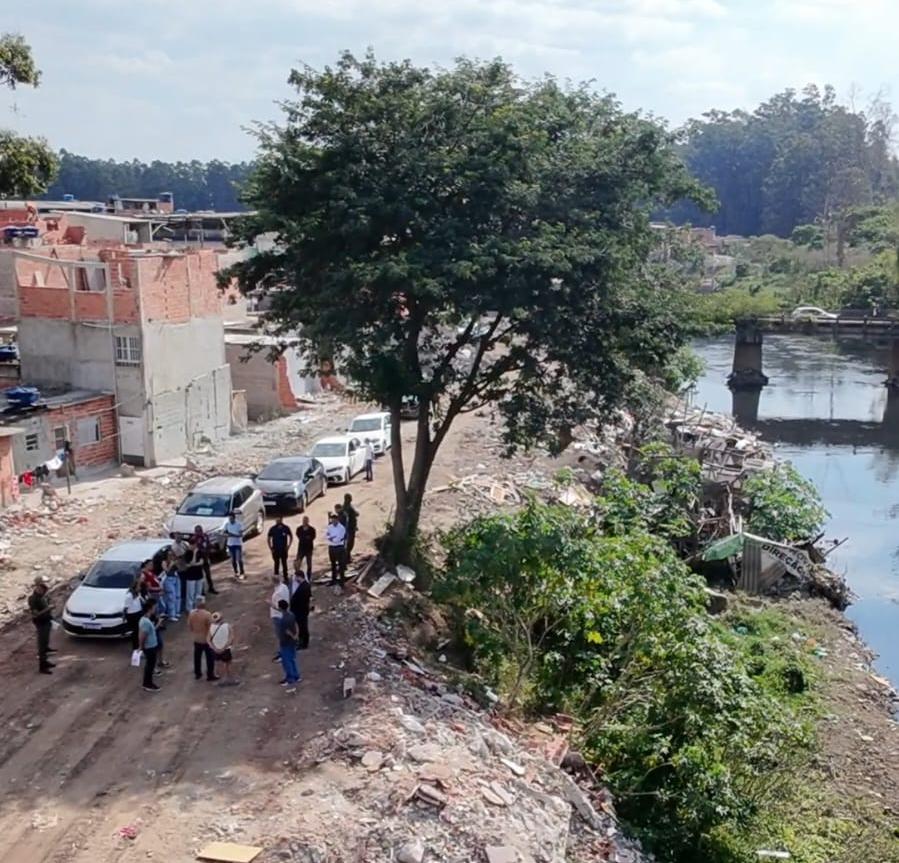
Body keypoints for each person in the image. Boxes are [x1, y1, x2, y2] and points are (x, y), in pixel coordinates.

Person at [28, 575, 55, 675]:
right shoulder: (33, 599)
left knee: (45, 642)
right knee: (42, 644)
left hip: (46, 620)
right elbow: (35, 614)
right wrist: (48, 609)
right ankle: (42, 666)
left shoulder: (43, 596)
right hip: (40, 622)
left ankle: (46, 662)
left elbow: (47, 600)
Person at [188, 596, 218, 681]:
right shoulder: (207, 614)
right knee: (210, 657)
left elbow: (190, 626)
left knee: (197, 656)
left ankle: (198, 673)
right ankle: (210, 675)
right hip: (206, 638)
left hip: (196, 638)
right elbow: (211, 627)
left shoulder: (192, 613)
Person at [208, 611, 238, 686]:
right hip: (226, 649)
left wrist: (214, 648)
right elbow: (231, 637)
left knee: (219, 664)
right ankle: (231, 679)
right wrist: (225, 647)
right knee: (228, 663)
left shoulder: (211, 627)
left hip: (216, 650)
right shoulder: (227, 626)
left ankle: (222, 680)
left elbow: (208, 640)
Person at [276, 599, 300, 688]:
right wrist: (296, 635)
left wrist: (292, 636)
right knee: (292, 659)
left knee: (286, 661)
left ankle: (290, 678)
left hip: (285, 642)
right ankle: (296, 676)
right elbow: (296, 625)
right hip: (293, 642)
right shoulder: (291, 615)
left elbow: (286, 631)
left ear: (280, 608)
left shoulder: (283, 620)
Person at [138, 598, 161, 692]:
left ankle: (148, 683)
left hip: (151, 646)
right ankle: (148, 684)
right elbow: (142, 635)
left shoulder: (145, 620)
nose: (155, 609)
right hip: (149, 647)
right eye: (154, 608)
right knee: (150, 666)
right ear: (150, 609)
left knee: (150, 665)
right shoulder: (146, 622)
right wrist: (141, 647)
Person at [269, 574, 290, 661]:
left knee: (280, 635)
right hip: (285, 614)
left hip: (277, 616)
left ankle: (283, 654)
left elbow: (278, 607)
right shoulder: (284, 587)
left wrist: (270, 604)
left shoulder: (277, 594)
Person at [170, 532, 192, 615]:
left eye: (180, 536)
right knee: (182, 587)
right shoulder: (174, 546)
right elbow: (181, 555)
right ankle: (183, 606)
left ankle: (188, 603)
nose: (179, 538)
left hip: (187, 567)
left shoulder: (184, 543)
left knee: (188, 585)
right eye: (177, 536)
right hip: (180, 568)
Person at [289, 567, 311, 650]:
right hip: (301, 610)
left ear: (299, 577)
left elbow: (300, 600)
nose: (295, 579)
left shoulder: (304, 587)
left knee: (303, 627)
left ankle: (303, 643)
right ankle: (302, 641)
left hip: (301, 611)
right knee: (302, 627)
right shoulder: (304, 585)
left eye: (296, 577)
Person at [192, 525, 217, 594]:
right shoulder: (194, 539)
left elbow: (208, 544)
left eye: (200, 531)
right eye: (197, 531)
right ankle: (201, 591)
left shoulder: (205, 536)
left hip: (205, 558)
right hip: (198, 559)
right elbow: (194, 548)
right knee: (200, 576)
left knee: (208, 574)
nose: (199, 532)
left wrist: (212, 547)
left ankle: (211, 588)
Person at [267, 515, 293, 579]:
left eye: (279, 519)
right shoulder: (273, 529)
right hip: (275, 549)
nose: (278, 521)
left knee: (284, 563)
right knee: (276, 563)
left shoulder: (286, 528)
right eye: (277, 520)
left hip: (283, 549)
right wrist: (270, 548)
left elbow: (291, 536)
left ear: (282, 519)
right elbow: (269, 538)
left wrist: (288, 546)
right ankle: (276, 577)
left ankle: (285, 577)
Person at [326, 512, 347, 585]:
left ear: (338, 519)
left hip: (339, 548)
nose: (333, 520)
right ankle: (333, 580)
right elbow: (327, 536)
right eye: (332, 519)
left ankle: (342, 582)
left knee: (341, 565)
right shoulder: (329, 527)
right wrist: (331, 538)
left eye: (335, 519)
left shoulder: (342, 528)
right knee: (333, 564)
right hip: (331, 547)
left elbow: (339, 538)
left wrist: (332, 538)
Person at [123, 577, 145, 651]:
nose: (140, 588)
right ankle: (135, 648)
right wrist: (124, 618)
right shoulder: (129, 596)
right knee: (135, 633)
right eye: (138, 586)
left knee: (139, 631)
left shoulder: (137, 594)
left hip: (138, 613)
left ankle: (139, 647)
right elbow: (125, 608)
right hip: (132, 616)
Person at [184, 542, 205, 613]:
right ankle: (190, 608)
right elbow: (190, 563)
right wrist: (194, 554)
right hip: (190, 576)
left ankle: (197, 607)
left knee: (198, 592)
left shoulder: (200, 552)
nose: (193, 546)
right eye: (192, 545)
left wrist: (194, 564)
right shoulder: (187, 553)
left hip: (199, 575)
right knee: (190, 593)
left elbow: (201, 562)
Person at [161, 551, 181, 623]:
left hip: (176, 578)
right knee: (171, 597)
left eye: (172, 555)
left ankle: (177, 612)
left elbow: (179, 569)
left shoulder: (174, 561)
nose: (171, 556)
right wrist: (171, 564)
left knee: (177, 596)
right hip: (168, 579)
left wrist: (176, 563)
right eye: (169, 555)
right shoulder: (164, 562)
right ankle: (171, 615)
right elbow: (166, 571)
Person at [225, 512, 245, 578]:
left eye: (231, 518)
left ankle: (242, 572)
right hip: (230, 544)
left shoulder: (239, 524)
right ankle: (236, 572)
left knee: (239, 559)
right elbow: (225, 532)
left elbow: (241, 535)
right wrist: (225, 534)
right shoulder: (227, 524)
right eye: (229, 518)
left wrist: (232, 535)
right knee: (233, 560)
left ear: (234, 518)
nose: (230, 520)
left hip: (238, 544)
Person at [295, 515, 316, 580]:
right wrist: (306, 538)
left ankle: (309, 577)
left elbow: (313, 537)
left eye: (306, 520)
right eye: (304, 520)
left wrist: (306, 538)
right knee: (298, 562)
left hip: (309, 549)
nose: (305, 522)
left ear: (308, 521)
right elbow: (298, 535)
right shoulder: (299, 529)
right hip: (301, 548)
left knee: (309, 564)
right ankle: (297, 575)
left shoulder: (312, 529)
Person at [343, 493, 359, 560]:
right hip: (350, 528)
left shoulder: (347, 506)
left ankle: (348, 556)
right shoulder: (347, 507)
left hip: (351, 527)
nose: (351, 499)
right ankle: (347, 557)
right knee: (350, 543)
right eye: (350, 498)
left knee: (349, 543)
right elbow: (348, 518)